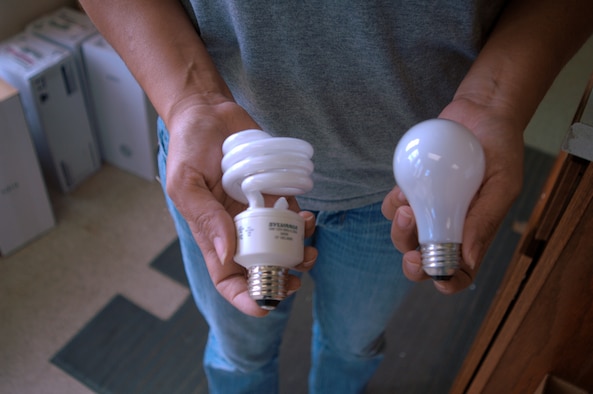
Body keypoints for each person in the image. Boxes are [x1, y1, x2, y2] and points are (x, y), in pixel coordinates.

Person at [80, 1, 593, 392]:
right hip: (219, 166)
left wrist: (495, 99)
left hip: (395, 192)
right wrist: (191, 100)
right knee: (240, 344)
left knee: (352, 344)